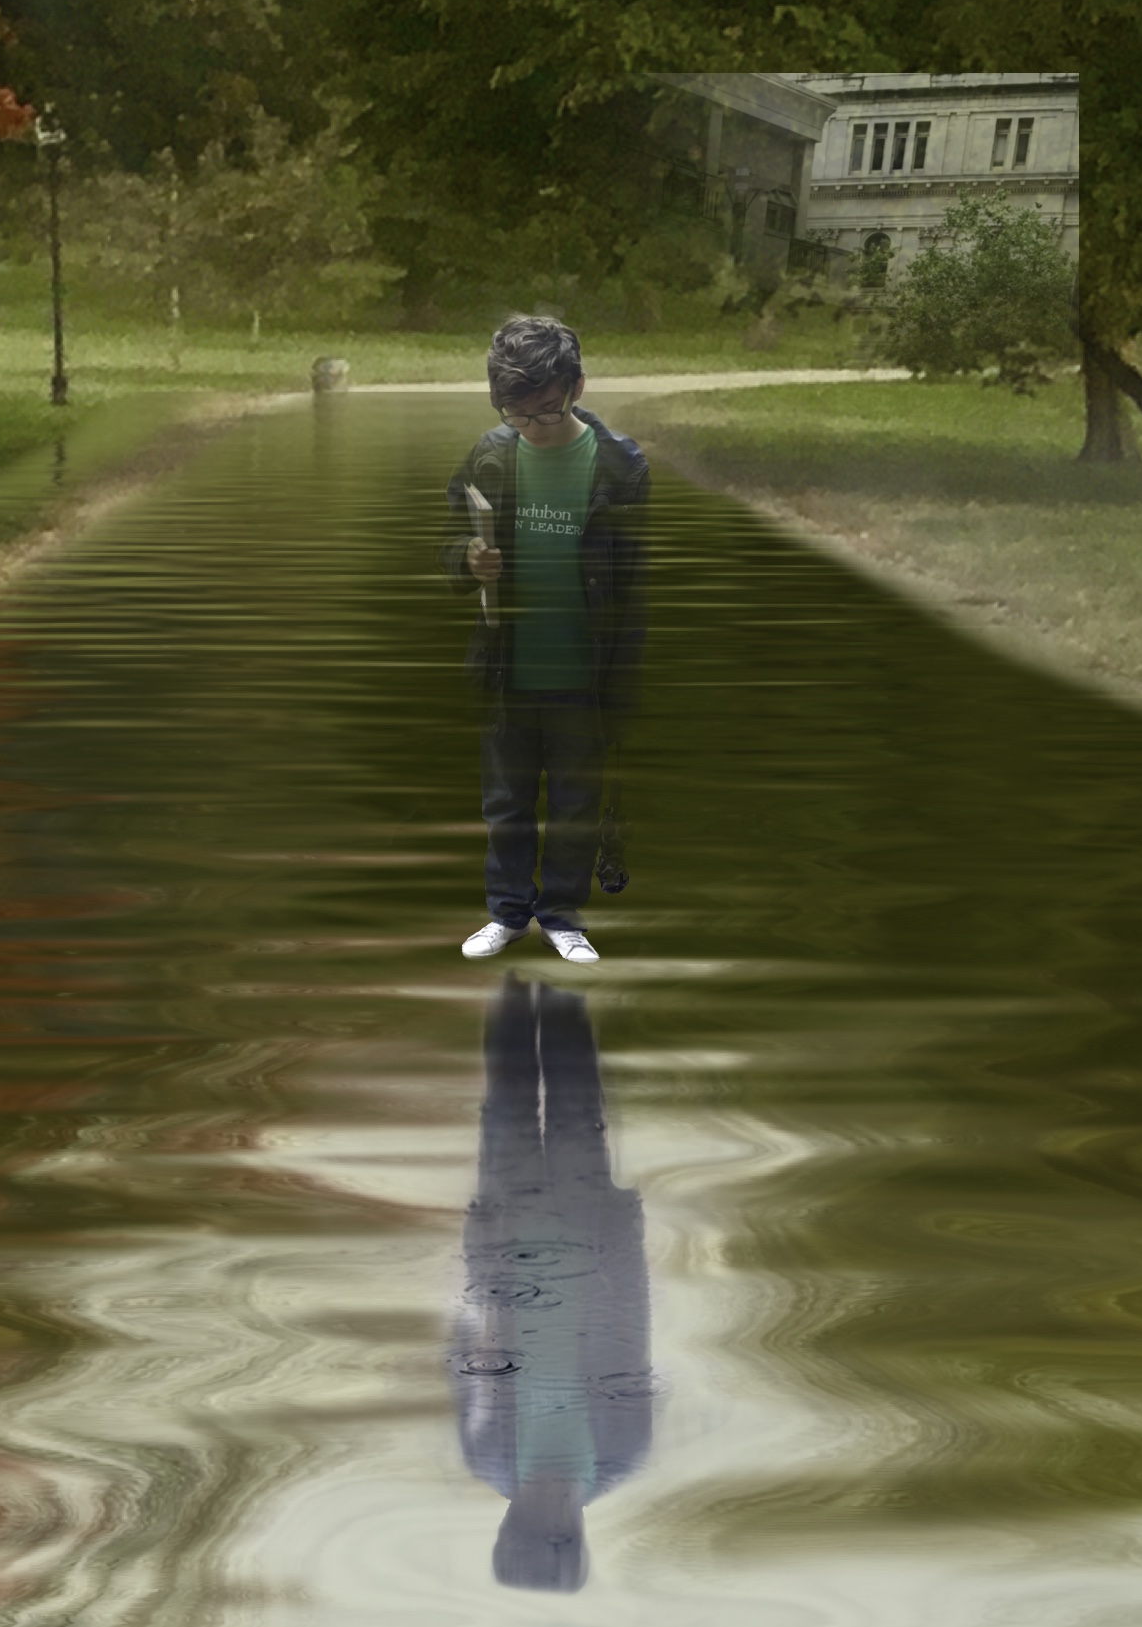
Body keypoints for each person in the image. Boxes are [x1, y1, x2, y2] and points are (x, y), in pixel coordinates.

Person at [445, 313, 648, 963]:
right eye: (518, 414)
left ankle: (562, 914)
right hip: (508, 666)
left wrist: (626, 685)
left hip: (584, 669)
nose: (532, 425)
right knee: (505, 801)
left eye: (547, 411)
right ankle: (506, 911)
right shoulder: (490, 452)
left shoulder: (620, 464)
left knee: (575, 801)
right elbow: (450, 539)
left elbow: (634, 582)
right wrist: (465, 560)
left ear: (578, 386)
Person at [449, 976, 655, 1592]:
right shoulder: (620, 1455)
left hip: (508, 1244)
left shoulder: (487, 1455)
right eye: (553, 1535)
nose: (548, 1517)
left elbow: (459, 1350)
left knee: (506, 1107)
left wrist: (476, 1259)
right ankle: (563, 994)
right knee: (576, 1113)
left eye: (535, 1531)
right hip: (590, 1244)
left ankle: (514, 990)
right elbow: (634, 1337)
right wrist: (625, 1241)